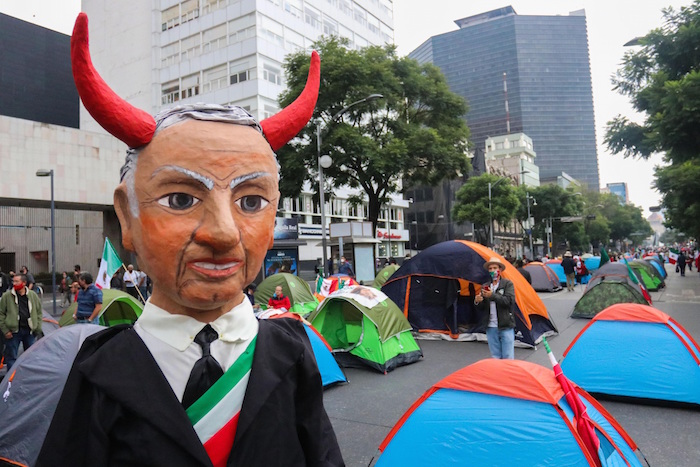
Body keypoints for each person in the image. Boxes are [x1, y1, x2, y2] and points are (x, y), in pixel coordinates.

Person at [37, 16, 340, 467]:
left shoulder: (291, 355)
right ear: (128, 217)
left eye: (252, 201)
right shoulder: (100, 373)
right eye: (180, 198)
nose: (222, 233)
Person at [474, 257, 516, 359]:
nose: (492, 270)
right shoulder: (485, 286)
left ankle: (508, 375)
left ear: (500, 270)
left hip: (505, 325)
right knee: (495, 356)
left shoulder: (507, 284)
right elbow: (482, 308)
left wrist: (492, 295)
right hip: (491, 326)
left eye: (495, 268)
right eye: (490, 268)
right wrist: (478, 301)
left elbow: (509, 301)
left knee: (508, 356)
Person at [0, 274, 42, 370]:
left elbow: (39, 312)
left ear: (24, 283)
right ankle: (11, 379)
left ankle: (29, 376)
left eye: (16, 281)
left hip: (29, 331)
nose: (14, 283)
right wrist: (5, 330)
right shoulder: (7, 296)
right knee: (11, 357)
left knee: (31, 356)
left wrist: (37, 327)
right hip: (13, 332)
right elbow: (1, 314)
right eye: (13, 281)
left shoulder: (32, 295)